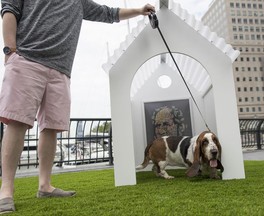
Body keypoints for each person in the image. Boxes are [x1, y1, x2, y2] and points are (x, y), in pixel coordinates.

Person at [0, 1, 155, 214]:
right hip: (26, 59)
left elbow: (108, 13)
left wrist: (138, 11)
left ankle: (45, 185)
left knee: (52, 127)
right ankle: (6, 190)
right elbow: (9, 9)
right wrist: (10, 51)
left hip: (61, 70)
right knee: (17, 121)